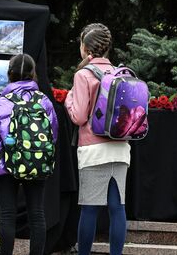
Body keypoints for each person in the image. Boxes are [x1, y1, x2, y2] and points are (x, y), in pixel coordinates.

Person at [65, 23, 129, 255]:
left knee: (90, 209)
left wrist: (68, 100)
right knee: (117, 207)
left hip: (94, 149)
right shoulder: (120, 72)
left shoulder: (83, 74)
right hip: (121, 148)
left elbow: (80, 116)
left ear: (85, 48)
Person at [0, 53, 58, 255]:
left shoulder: (2, 102)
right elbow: (53, 133)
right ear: (33, 74)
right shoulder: (44, 101)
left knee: (7, 215)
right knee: (36, 214)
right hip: (36, 161)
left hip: (7, 163)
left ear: (9, 74)